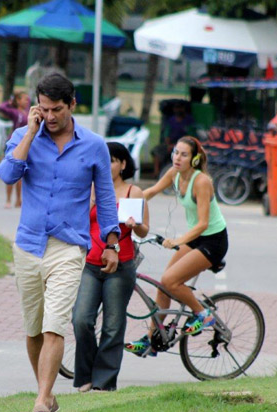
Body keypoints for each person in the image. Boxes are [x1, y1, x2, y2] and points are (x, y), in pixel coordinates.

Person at [0, 73, 121, 412]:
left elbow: (107, 198)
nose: (50, 116)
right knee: (34, 328)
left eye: (57, 110)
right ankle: (47, 394)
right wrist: (30, 132)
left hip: (69, 247)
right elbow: (7, 175)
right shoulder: (25, 135)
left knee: (55, 324)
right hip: (28, 245)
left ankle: (42, 399)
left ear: (72, 105)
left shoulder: (94, 145)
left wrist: (112, 242)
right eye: (44, 109)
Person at [125, 136, 228, 356]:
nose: (177, 158)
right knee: (164, 285)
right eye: (175, 152)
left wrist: (178, 241)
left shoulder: (201, 182)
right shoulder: (174, 174)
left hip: (213, 241)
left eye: (183, 154)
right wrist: (123, 207)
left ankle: (203, 315)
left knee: (170, 280)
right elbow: (150, 192)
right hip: (194, 239)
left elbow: (203, 223)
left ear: (194, 159)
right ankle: (153, 340)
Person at [71, 142, 149, 392]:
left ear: (123, 164)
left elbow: (144, 229)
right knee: (81, 319)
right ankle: (85, 376)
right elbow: (76, 220)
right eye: (105, 160)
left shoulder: (132, 192)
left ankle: (104, 382)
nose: (108, 165)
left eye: (113, 160)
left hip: (121, 265)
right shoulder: (91, 189)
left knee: (113, 325)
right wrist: (91, 202)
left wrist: (133, 223)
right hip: (90, 263)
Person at [0, 91, 30, 208]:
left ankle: (18, 199)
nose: (27, 101)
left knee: (20, 174)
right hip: (14, 143)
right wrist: (11, 101)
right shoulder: (15, 112)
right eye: (24, 99)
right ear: (18, 101)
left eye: (28, 99)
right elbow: (1, 107)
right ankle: (8, 199)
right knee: (10, 171)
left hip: (25, 144)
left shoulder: (28, 112)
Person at [151, 102, 195, 178]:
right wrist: (169, 145)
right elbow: (167, 135)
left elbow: (190, 136)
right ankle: (156, 172)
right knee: (156, 150)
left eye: (180, 108)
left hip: (184, 144)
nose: (178, 110)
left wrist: (177, 145)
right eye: (176, 108)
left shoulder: (189, 120)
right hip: (170, 144)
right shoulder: (171, 120)